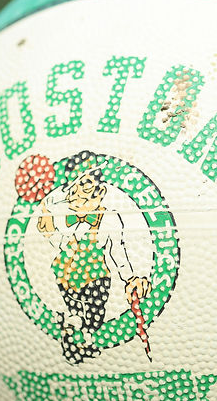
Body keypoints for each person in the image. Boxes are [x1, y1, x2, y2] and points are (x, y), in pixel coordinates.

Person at [36, 151, 151, 364]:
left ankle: (84, 340)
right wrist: (48, 228)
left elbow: (117, 251)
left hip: (96, 279)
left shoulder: (109, 220)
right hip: (65, 278)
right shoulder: (62, 215)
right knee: (75, 314)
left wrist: (130, 277)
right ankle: (74, 339)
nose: (78, 193)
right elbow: (61, 243)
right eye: (73, 187)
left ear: (100, 190)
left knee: (94, 318)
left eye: (86, 185)